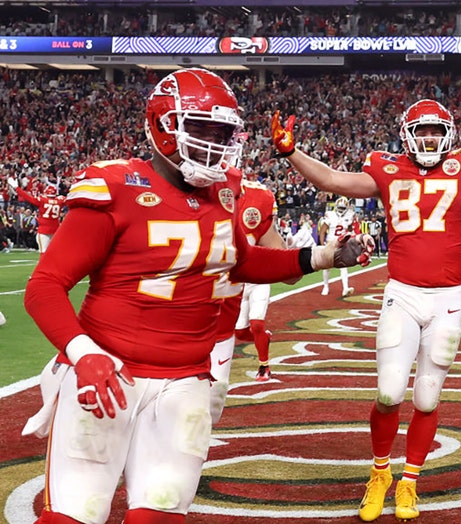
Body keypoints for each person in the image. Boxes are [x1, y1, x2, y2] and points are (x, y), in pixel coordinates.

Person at [21, 67, 372, 524]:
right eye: (202, 128)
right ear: (163, 126)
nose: (214, 143)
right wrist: (83, 353)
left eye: (222, 131)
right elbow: (45, 285)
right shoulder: (115, 185)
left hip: (186, 379)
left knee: (161, 514)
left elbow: (242, 262)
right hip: (109, 373)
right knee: (74, 516)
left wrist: (323, 256)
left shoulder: (226, 193)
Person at [271, 92, 461, 521]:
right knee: (388, 392)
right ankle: (380, 473)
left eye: (437, 131)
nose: (431, 138)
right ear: (408, 135)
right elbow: (331, 181)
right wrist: (290, 151)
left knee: (428, 398)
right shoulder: (387, 168)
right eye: (423, 130)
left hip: (449, 299)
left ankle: (409, 481)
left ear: (449, 135)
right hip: (404, 292)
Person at [209, 171, 290, 426]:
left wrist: (322, 257)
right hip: (176, 314)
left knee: (210, 406)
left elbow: (286, 267)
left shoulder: (256, 198)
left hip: (249, 284)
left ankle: (264, 365)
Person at [6, 178, 66, 255]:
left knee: (43, 252)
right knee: (54, 253)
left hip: (44, 230)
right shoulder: (60, 201)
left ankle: (44, 267)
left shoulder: (42, 200)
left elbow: (28, 197)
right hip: (56, 229)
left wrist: (16, 187)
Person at [319, 196, 359, 296]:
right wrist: (322, 244)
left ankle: (345, 288)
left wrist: (350, 238)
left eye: (343, 208)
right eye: (340, 208)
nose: (341, 210)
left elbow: (350, 230)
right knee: (327, 266)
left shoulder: (349, 215)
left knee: (344, 266)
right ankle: (326, 286)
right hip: (330, 242)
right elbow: (322, 231)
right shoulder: (330, 215)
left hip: (342, 243)